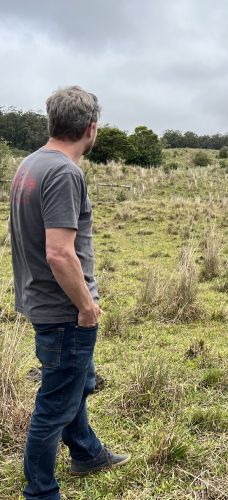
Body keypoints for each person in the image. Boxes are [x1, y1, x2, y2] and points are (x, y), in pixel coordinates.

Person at [10, 86, 130, 500]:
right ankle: (40, 491)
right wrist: (85, 306)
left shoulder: (30, 164)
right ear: (91, 128)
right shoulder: (64, 172)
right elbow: (60, 254)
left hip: (40, 300)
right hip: (63, 309)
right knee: (55, 402)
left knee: (75, 382)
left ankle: (86, 452)